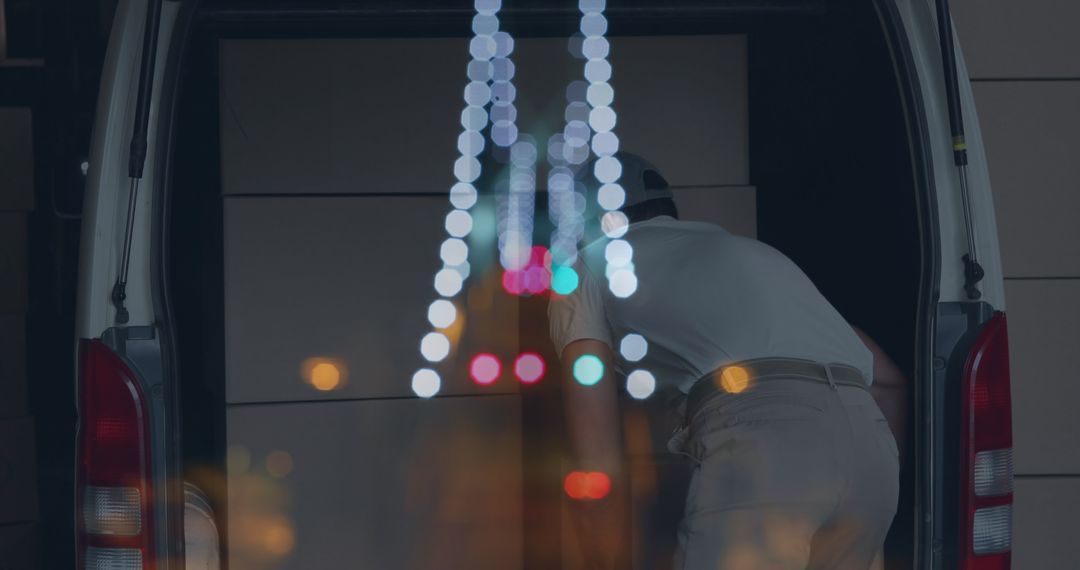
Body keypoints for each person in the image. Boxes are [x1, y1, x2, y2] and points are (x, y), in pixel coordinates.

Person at [548, 152, 908, 569]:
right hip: (870, 456)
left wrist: (603, 560)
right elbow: (889, 382)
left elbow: (594, 449)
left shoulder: (585, 268)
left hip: (767, 448)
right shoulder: (754, 254)